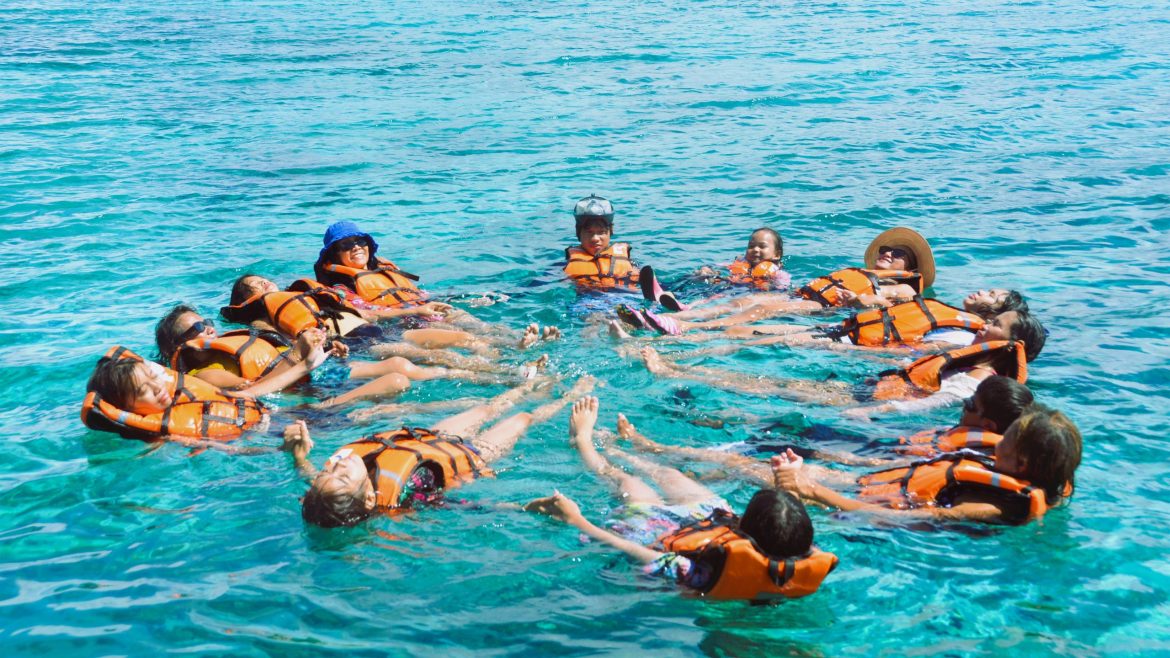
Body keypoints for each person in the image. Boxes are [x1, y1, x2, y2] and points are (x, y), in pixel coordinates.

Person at [524, 397, 836, 601]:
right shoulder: (797, 554)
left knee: (627, 481)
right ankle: (626, 448)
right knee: (671, 475)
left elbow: (635, 552)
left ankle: (585, 443)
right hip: (711, 524)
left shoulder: (704, 575)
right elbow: (784, 526)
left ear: (744, 527)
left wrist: (578, 521)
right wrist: (789, 482)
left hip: (657, 531)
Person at [634, 309, 1046, 417]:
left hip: (868, 401)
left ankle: (677, 371)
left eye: (995, 325)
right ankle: (680, 370)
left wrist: (875, 412)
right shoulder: (971, 364)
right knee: (769, 385)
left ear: (1013, 344)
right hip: (872, 389)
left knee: (770, 386)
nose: (983, 326)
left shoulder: (983, 381)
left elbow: (932, 403)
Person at [298, 378, 594, 527]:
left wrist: (298, 456)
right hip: (475, 455)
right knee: (522, 420)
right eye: (342, 474)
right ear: (370, 498)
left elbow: (315, 482)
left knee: (485, 408)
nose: (338, 464)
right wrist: (524, 509)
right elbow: (463, 505)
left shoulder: (326, 491)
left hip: (431, 440)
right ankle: (571, 396)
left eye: (328, 470)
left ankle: (529, 386)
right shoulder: (405, 497)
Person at [775, 406, 1082, 525]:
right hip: (881, 491)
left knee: (752, 473)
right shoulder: (1004, 469)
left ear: (1021, 462)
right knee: (761, 467)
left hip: (876, 520)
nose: (997, 441)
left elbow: (908, 521)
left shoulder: (993, 508)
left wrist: (812, 489)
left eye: (1007, 437)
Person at [620, 227, 933, 335]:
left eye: (899, 253)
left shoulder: (904, 285)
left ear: (912, 265)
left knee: (750, 313)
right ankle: (675, 314)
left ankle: (679, 327)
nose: (889, 254)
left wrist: (860, 301)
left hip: (821, 309)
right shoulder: (865, 273)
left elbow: (890, 302)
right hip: (804, 296)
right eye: (885, 249)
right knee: (742, 301)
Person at [156, 305, 512, 397]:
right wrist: (301, 357)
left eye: (205, 323)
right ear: (177, 345)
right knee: (401, 368)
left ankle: (500, 373)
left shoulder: (236, 344)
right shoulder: (201, 372)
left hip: (316, 372)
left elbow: (283, 358)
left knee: (402, 361)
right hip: (304, 390)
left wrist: (321, 349)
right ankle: (501, 378)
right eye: (196, 329)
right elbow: (250, 390)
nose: (208, 330)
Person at [563, 195, 642, 294]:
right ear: (578, 233)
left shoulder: (631, 263)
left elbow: (650, 283)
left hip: (626, 298)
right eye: (589, 232)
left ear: (610, 232)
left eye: (601, 232)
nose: (595, 239)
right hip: (587, 303)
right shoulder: (566, 264)